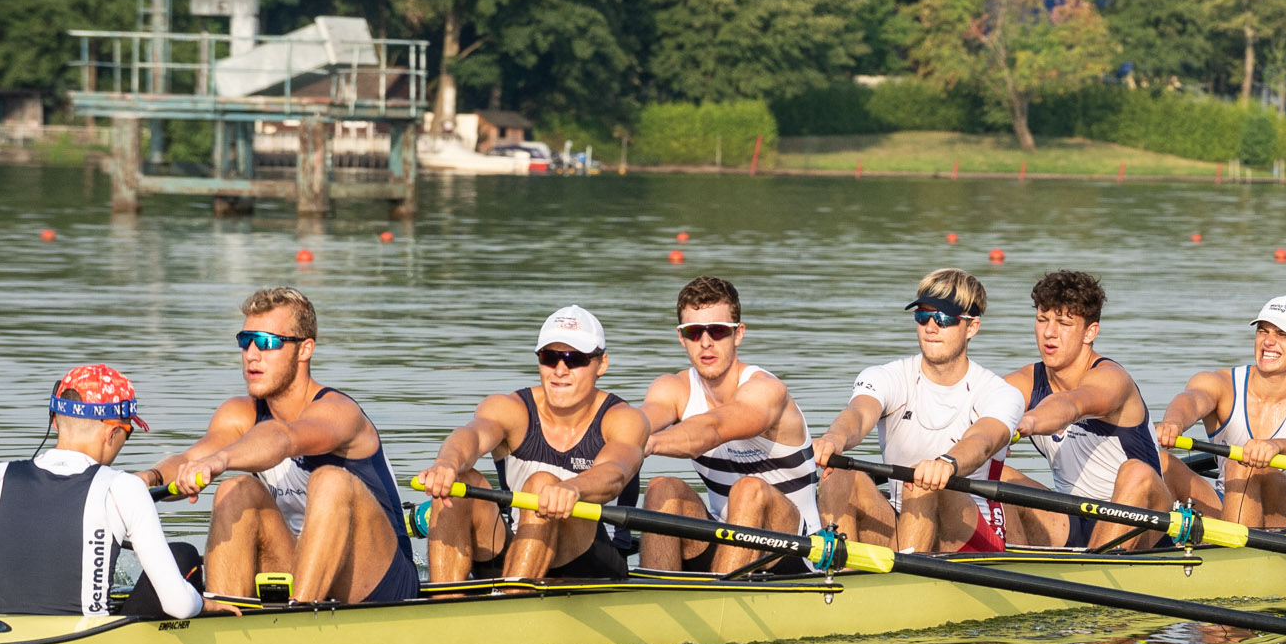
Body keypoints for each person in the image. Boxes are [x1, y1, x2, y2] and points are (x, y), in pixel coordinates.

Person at [148, 287, 420, 604]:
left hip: (379, 578)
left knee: (330, 480)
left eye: (267, 342)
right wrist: (144, 480)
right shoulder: (238, 413)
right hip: (299, 561)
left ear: (304, 349)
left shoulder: (339, 412)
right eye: (245, 341)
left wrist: (220, 461)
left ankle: (301, 618)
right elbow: (189, 458)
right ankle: (223, 613)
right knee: (236, 490)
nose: (251, 354)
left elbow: (283, 438)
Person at [0, 364, 210, 620]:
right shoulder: (123, 487)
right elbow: (180, 606)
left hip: (11, 637)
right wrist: (204, 604)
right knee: (183, 554)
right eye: (128, 432)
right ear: (112, 433)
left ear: (54, 421)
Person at [416, 306, 648, 581]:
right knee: (459, 484)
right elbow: (472, 436)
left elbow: (615, 473)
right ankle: (444, 604)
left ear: (602, 364)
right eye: (550, 358)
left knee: (541, 484)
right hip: (518, 547)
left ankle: (513, 599)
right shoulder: (510, 408)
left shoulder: (624, 419)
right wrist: (446, 464)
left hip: (593, 561)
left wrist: (572, 488)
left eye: (574, 359)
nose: (560, 370)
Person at [811, 269, 1025, 553]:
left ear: (971, 327)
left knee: (921, 480)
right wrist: (833, 438)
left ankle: (900, 581)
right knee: (836, 473)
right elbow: (859, 413)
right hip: (903, 526)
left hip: (970, 536)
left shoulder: (1000, 393)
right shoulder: (887, 376)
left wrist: (947, 463)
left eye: (944, 318)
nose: (931, 327)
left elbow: (983, 441)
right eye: (923, 316)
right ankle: (840, 574)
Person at [636, 274, 819, 574]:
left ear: (738, 334)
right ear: (681, 337)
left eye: (718, 331)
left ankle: (716, 600)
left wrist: (651, 442)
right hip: (726, 539)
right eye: (694, 332)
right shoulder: (672, 388)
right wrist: (620, 435)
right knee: (661, 488)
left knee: (749, 490)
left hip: (796, 548)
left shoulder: (766, 391)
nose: (706, 342)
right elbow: (639, 420)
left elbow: (714, 428)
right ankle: (653, 596)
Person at [996, 270, 1167, 550]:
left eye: (1063, 323)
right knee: (1000, 476)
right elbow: (977, 408)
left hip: (1145, 525)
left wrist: (1024, 422)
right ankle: (1014, 570)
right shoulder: (1025, 381)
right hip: (1074, 520)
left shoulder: (1111, 379)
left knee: (1137, 472)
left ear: (1090, 332)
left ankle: (1095, 572)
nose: (1049, 333)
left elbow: (1071, 404)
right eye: (1042, 320)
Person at [1157, 294, 1286, 530]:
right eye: (1263, 331)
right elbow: (1192, 400)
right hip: (1228, 502)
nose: (1268, 341)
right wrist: (1173, 423)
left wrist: (1276, 446)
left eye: (1283, 334)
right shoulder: (1221, 382)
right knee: (1161, 462)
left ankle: (1227, 559)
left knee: (1246, 465)